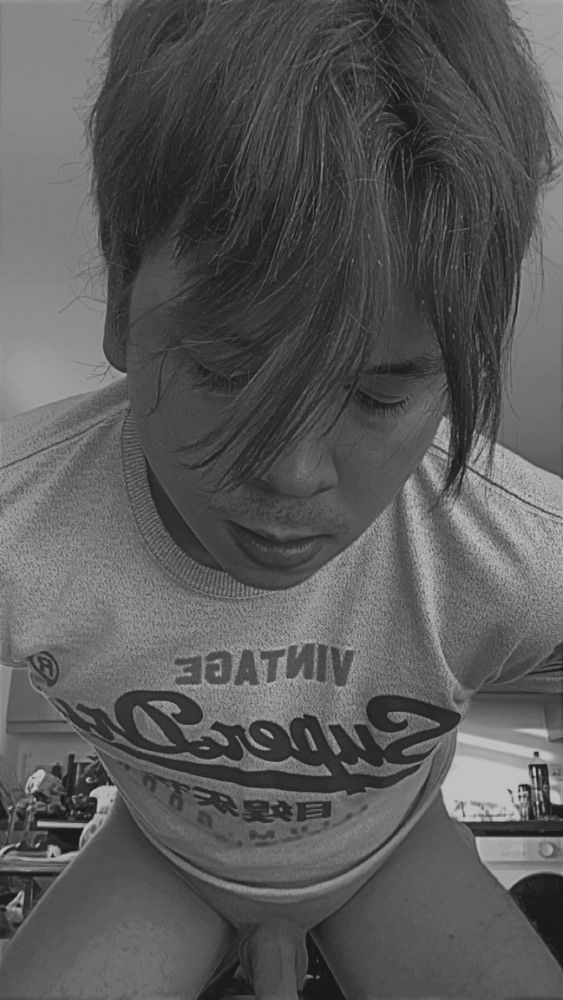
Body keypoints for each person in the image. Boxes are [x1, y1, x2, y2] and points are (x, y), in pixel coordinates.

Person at [1, 1, 562, 997]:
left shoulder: (514, 550)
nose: (293, 475)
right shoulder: (22, 524)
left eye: (380, 395)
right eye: (228, 369)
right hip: (159, 858)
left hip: (394, 853)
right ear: (123, 294)